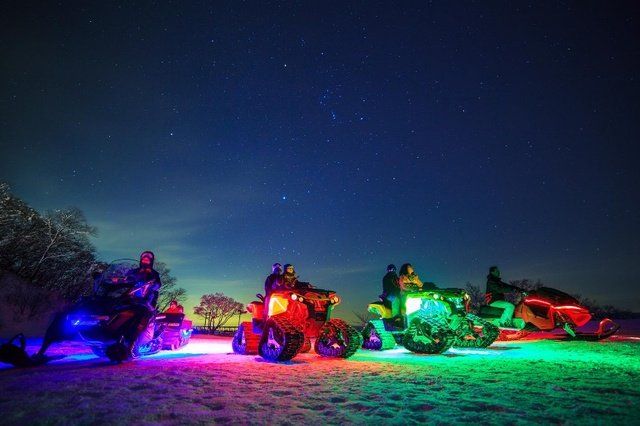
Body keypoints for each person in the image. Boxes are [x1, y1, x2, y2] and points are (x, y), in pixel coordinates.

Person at [32, 251, 162, 363]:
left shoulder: (154, 274)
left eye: (148, 258)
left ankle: (130, 347)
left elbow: (157, 285)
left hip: (143, 299)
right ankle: (45, 347)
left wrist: (152, 283)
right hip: (123, 295)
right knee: (84, 304)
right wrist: (110, 278)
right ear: (140, 259)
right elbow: (124, 279)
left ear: (150, 261)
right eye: (143, 257)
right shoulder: (133, 271)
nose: (145, 259)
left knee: (140, 312)